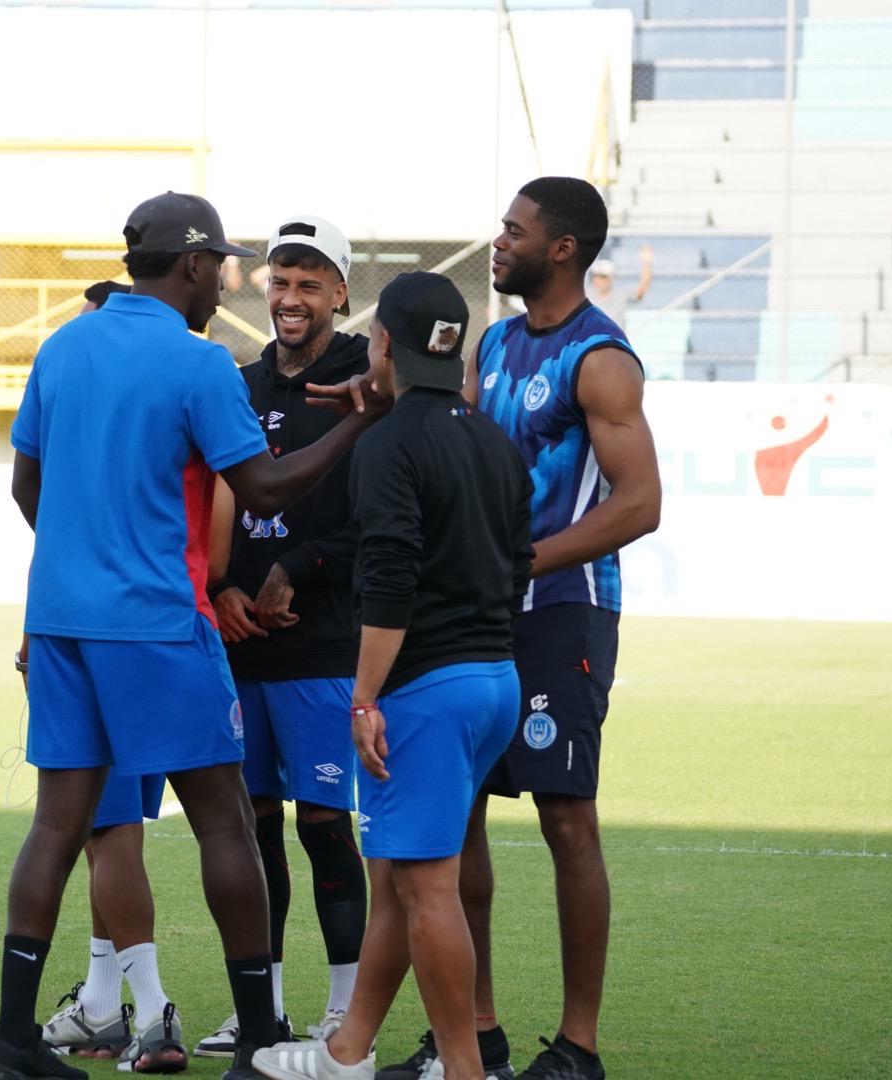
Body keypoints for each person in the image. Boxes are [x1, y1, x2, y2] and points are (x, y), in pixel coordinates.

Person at [0, 191, 392, 1080]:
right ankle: (261, 1040)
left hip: (60, 623)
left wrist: (84, 558)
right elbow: (267, 489)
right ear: (194, 266)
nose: (229, 281)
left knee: (56, 826)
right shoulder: (198, 364)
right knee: (226, 820)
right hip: (158, 624)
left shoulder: (62, 346)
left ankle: (9, 1046)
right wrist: (360, 418)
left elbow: (23, 487)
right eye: (225, 265)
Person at [377, 177, 661, 1080]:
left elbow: (642, 501)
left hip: (563, 609)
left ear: (563, 247)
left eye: (514, 231)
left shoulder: (602, 359)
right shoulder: (493, 344)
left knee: (566, 818)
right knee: (454, 818)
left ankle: (578, 1047)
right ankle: (479, 1034)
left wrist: (522, 565)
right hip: (480, 617)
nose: (497, 243)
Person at [251, 271, 534, 1080]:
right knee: (401, 874)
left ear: (382, 346)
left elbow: (390, 575)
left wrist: (367, 694)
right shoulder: (490, 438)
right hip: (493, 682)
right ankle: (348, 1050)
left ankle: (462, 1067)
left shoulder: (387, 446)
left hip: (424, 691)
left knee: (427, 888)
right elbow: (518, 565)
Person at [200, 216, 369, 1057]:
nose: (291, 298)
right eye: (280, 281)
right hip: (243, 646)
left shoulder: (368, 382)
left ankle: (345, 1010)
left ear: (341, 291)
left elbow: (382, 510)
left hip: (327, 640)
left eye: (310, 283)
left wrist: (298, 566)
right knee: (252, 823)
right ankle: (259, 1010)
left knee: (325, 825)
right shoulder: (237, 381)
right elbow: (213, 500)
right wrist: (222, 586)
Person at [37, 278, 191, 1074]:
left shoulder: (115, 385)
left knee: (109, 827)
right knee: (113, 828)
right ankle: (103, 1003)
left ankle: (155, 1010)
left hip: (131, 627)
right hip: (162, 623)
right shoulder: (175, 386)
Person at [585, 245, 651, 329]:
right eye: (596, 276)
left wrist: (646, 262)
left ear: (611, 278)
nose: (598, 280)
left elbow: (642, 289)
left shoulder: (620, 294)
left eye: (603, 276)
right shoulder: (585, 295)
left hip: (613, 339)